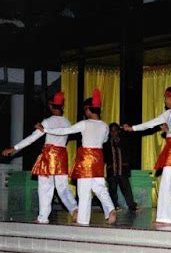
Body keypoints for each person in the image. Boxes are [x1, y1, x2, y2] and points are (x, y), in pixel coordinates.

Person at [36, 89, 117, 226]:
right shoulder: (104, 126)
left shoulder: (84, 124)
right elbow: (104, 141)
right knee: (99, 186)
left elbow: (64, 131)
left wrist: (46, 130)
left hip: (86, 158)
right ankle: (110, 209)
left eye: (85, 110)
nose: (85, 113)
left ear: (89, 110)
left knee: (83, 189)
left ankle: (83, 220)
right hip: (98, 157)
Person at [123, 82, 171, 226]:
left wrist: (168, 127)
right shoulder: (168, 113)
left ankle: (164, 218)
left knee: (165, 182)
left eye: (165, 98)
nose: (164, 100)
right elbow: (153, 122)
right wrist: (133, 128)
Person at [2, 92, 78, 224]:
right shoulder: (67, 122)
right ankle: (74, 208)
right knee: (62, 187)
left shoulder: (47, 122)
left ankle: (43, 217)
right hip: (61, 156)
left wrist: (14, 148)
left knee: (45, 188)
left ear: (50, 105)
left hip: (49, 156)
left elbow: (32, 139)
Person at [103, 122, 138, 212]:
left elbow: (130, 153)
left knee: (126, 189)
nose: (113, 133)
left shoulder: (124, 141)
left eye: (115, 130)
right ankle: (114, 206)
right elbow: (104, 157)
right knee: (112, 189)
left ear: (119, 131)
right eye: (111, 131)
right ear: (109, 132)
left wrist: (127, 163)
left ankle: (132, 206)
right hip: (112, 169)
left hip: (123, 169)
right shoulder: (106, 143)